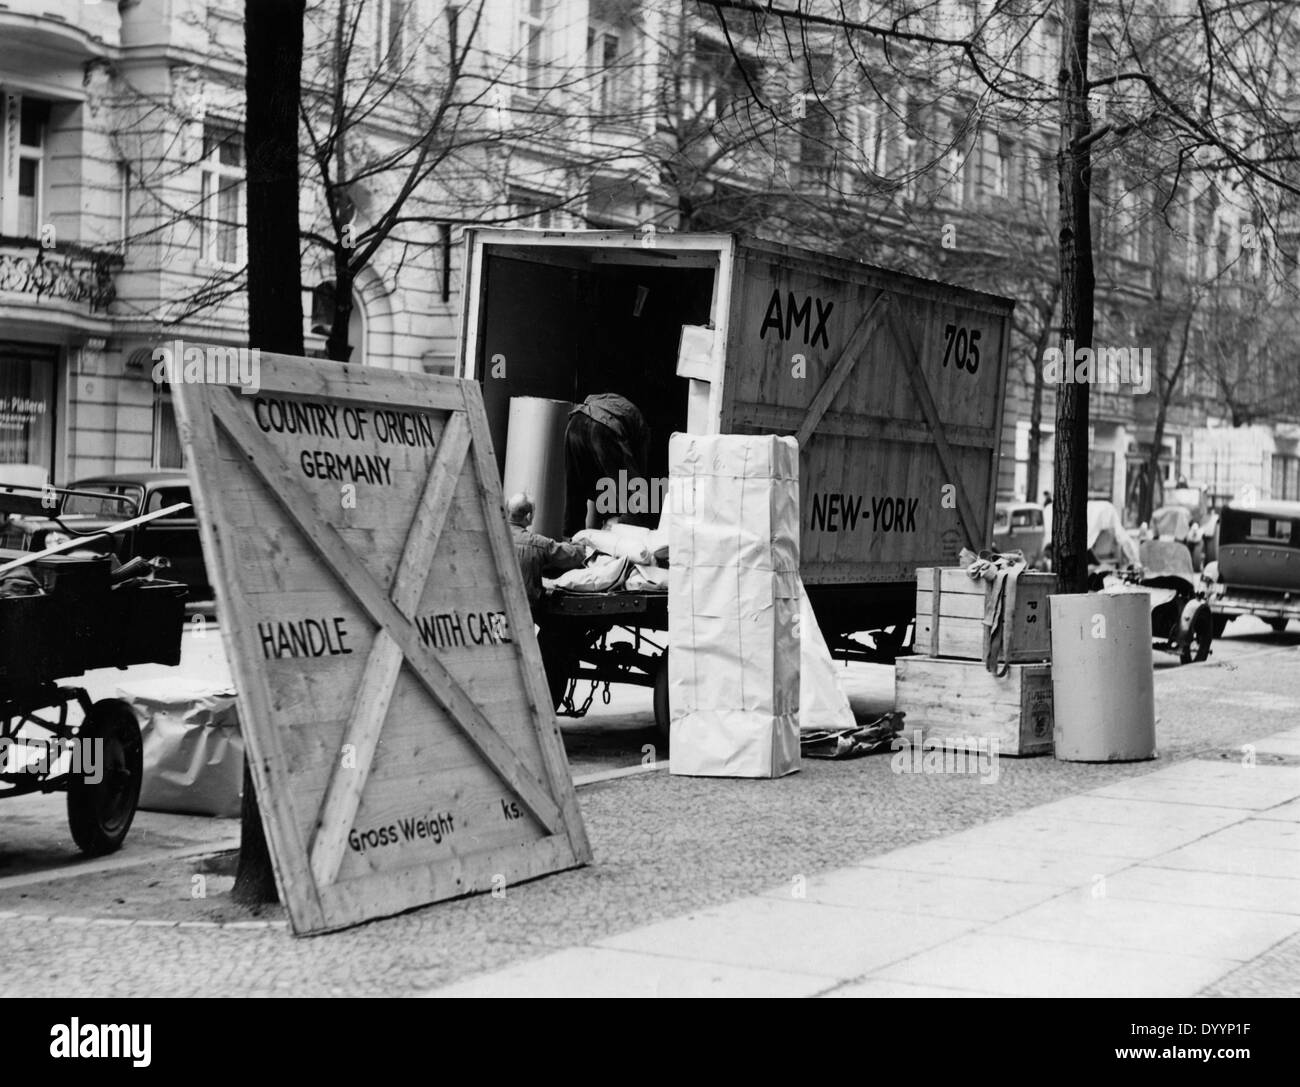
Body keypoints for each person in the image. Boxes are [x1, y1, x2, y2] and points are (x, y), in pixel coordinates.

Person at [563, 393, 651, 536]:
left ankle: (572, 541)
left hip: (575, 422)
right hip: (603, 425)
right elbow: (636, 481)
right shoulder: (642, 433)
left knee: (575, 488)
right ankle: (625, 536)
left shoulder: (624, 411)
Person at [506, 492, 586, 618]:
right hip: (525, 610)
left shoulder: (492, 538)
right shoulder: (538, 543)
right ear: (529, 516)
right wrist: (581, 542)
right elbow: (574, 555)